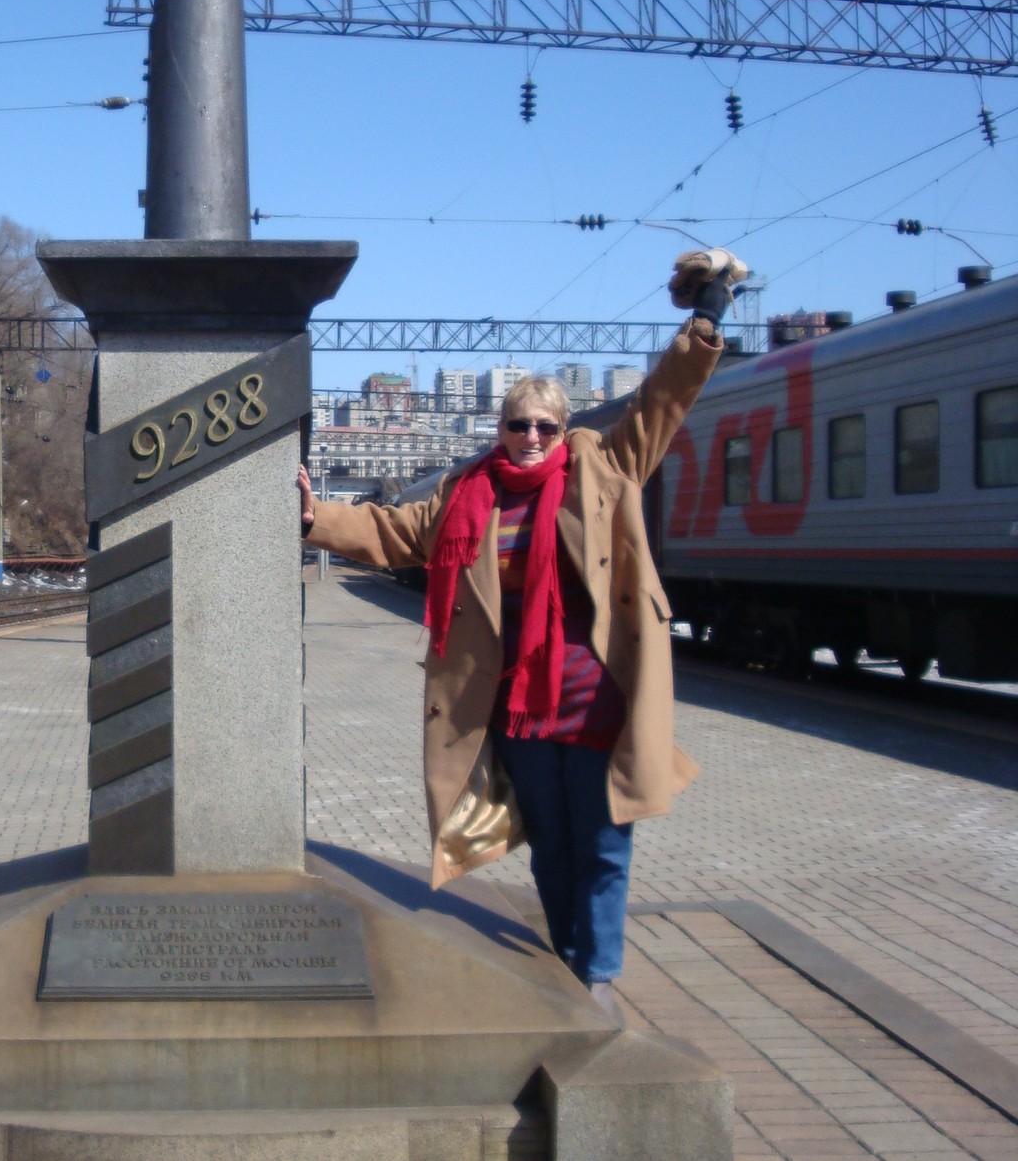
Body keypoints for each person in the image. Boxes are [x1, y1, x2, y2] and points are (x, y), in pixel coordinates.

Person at [297, 249, 745, 1021]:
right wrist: (314, 518)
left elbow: (661, 402)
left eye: (545, 425)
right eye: (518, 423)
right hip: (521, 706)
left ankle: (597, 970)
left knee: (603, 841)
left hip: (597, 695)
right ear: (499, 428)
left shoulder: (605, 465)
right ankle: (565, 956)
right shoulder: (467, 493)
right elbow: (393, 531)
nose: (532, 435)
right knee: (551, 840)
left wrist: (704, 322)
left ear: (565, 429)